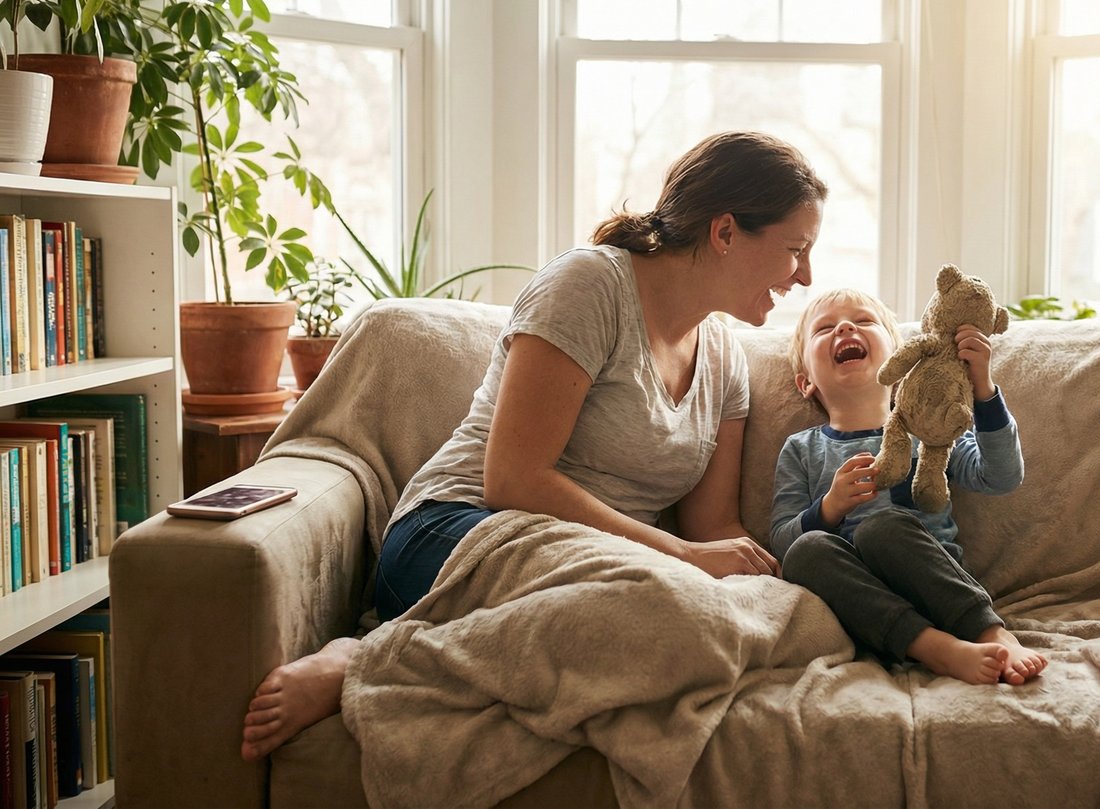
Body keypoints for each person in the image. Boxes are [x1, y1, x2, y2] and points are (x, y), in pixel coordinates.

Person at [240, 131, 827, 761]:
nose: (806, 276)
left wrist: (758, 574)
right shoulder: (590, 286)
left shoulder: (724, 360)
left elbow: (715, 528)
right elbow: (515, 479)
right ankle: (368, 659)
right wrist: (683, 556)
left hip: (599, 566)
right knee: (672, 613)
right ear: (726, 232)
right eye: (796, 250)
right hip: (464, 530)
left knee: (795, 620)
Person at [771, 288, 1047, 685]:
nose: (846, 327)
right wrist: (830, 507)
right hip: (863, 607)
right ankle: (937, 649)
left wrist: (982, 388)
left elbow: (1001, 476)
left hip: (937, 588)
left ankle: (993, 634)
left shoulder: (931, 427)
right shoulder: (802, 449)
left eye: (864, 321)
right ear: (805, 383)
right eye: (825, 328)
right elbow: (781, 540)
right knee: (805, 552)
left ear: (903, 358)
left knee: (883, 527)